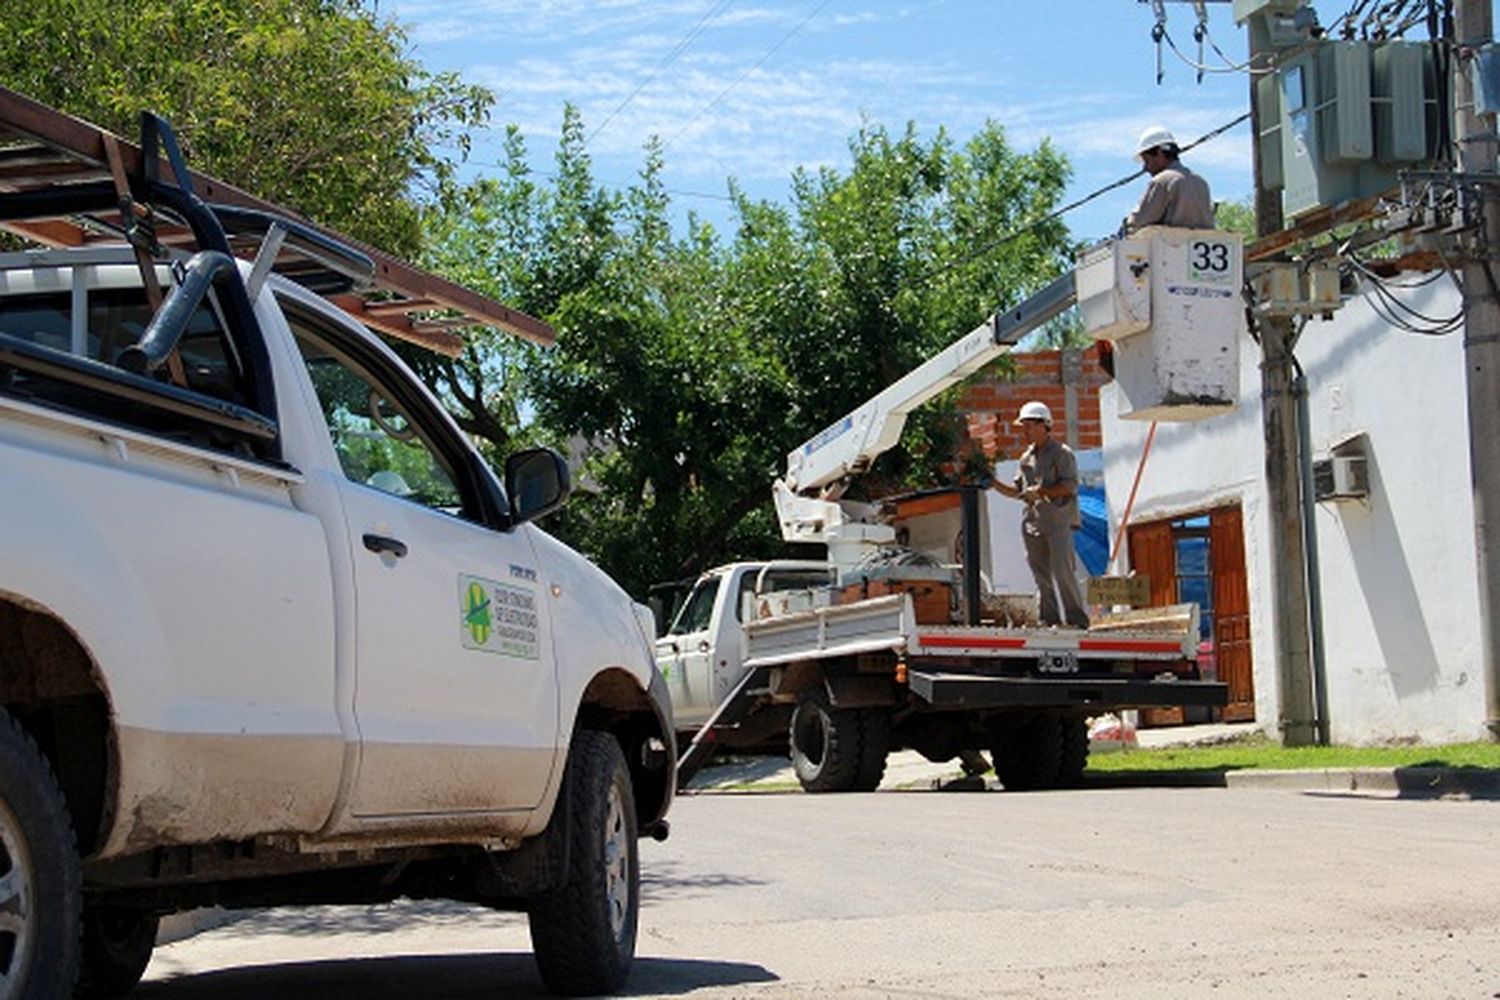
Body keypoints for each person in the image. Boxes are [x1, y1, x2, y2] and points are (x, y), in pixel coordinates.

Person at [991, 401, 1090, 629]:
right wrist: (994, 484)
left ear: (1044, 425)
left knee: (1062, 571)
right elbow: (1019, 492)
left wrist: (1042, 492)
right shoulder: (1026, 458)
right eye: (1023, 426)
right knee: (1041, 575)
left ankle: (1077, 621)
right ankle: (1049, 619)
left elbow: (1070, 486)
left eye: (1029, 426)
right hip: (1033, 524)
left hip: (1057, 522)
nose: (1025, 431)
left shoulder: (1062, 453)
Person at [1125, 125, 1214, 233]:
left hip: (1169, 247)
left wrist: (1128, 224)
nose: (1145, 168)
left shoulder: (1163, 180)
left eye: (1147, 160)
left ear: (1159, 153)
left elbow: (1139, 222)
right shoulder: (1201, 182)